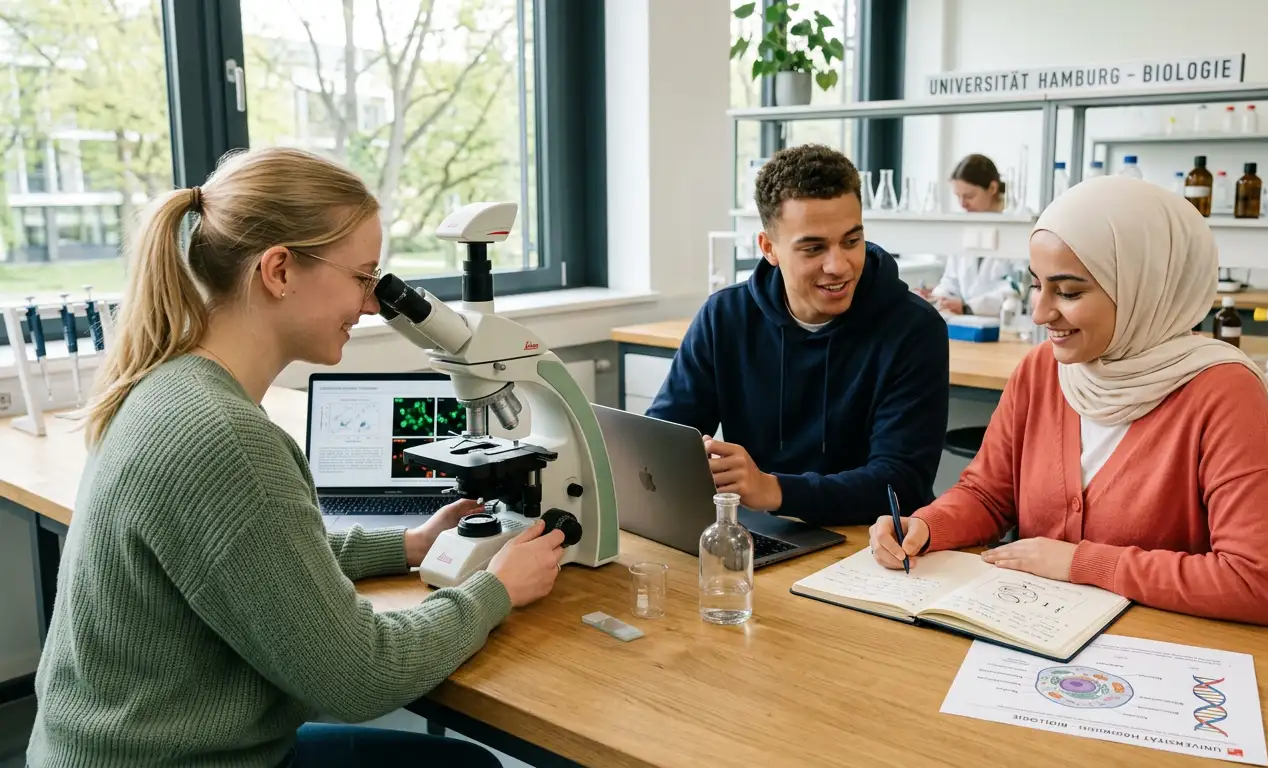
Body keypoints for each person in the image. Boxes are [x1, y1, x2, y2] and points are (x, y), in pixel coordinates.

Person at [27, 147, 567, 768]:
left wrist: (409, 546)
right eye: (364, 278)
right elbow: (361, 677)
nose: (371, 304)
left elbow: (260, 562)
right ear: (278, 270)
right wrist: (494, 589)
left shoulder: (167, 382)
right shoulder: (224, 436)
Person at [869, 175, 1268, 627]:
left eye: (1070, 292)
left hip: (1162, 663)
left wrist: (1080, 563)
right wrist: (927, 526)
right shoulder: (1043, 371)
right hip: (1035, 639)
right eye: (1037, 285)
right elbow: (988, 495)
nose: (1040, 313)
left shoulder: (1224, 393)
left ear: (1143, 286)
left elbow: (1262, 584)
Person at [647, 143, 949, 526]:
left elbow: (900, 484)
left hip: (873, 545)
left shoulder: (914, 329)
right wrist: (694, 457)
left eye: (851, 241)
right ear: (768, 248)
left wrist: (774, 489)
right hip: (761, 529)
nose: (838, 266)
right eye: (813, 248)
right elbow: (662, 439)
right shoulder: (724, 316)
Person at [918, 153, 1019, 316]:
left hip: (1002, 324)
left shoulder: (1016, 230)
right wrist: (936, 297)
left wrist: (968, 306)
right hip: (967, 324)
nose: (962, 204)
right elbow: (951, 281)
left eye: (969, 196)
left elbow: (1017, 289)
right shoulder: (967, 227)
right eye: (958, 196)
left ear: (992, 188)